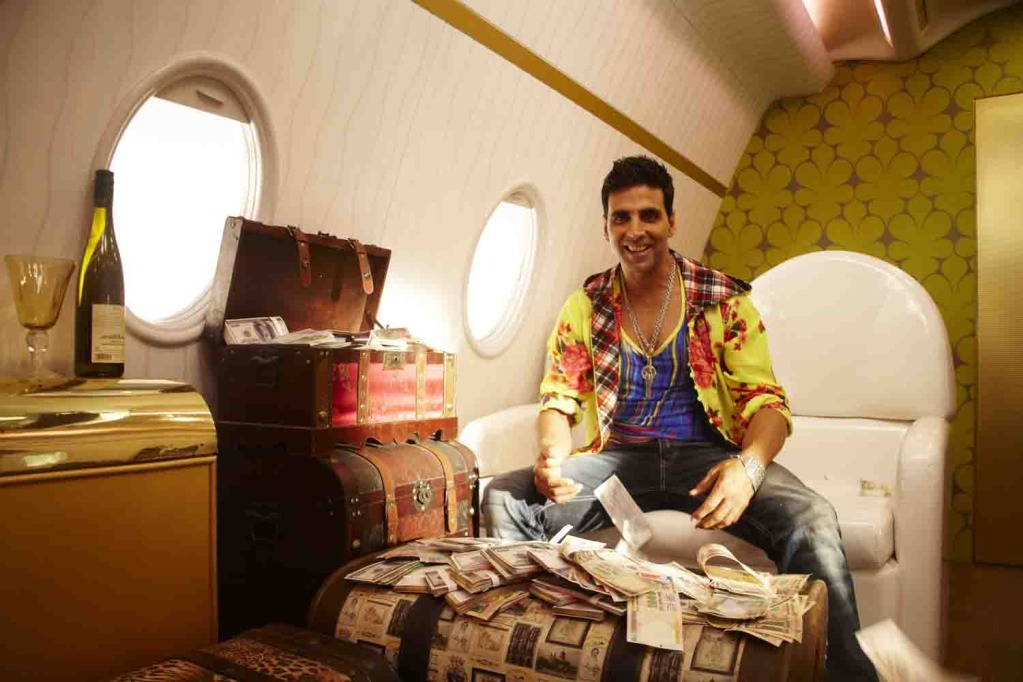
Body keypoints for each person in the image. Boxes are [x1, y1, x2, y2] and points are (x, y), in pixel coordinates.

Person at [483, 155, 879, 681]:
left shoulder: (723, 302)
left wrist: (748, 469)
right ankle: (526, 651)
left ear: (671, 221)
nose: (635, 231)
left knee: (811, 517)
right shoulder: (586, 304)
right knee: (504, 495)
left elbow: (767, 404)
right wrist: (551, 456)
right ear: (606, 226)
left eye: (649, 215)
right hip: (619, 463)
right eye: (621, 218)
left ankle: (850, 676)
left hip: (709, 459)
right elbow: (559, 398)